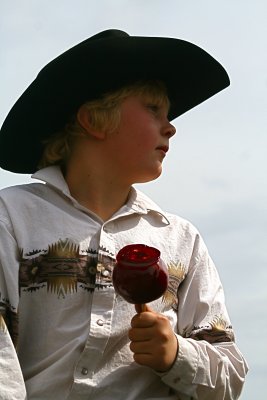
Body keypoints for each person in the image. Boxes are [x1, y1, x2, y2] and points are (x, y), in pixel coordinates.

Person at [0, 29, 248, 400]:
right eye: (153, 109)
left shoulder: (181, 239)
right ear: (93, 119)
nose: (171, 126)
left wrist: (178, 355)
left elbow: (230, 375)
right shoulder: (12, 217)